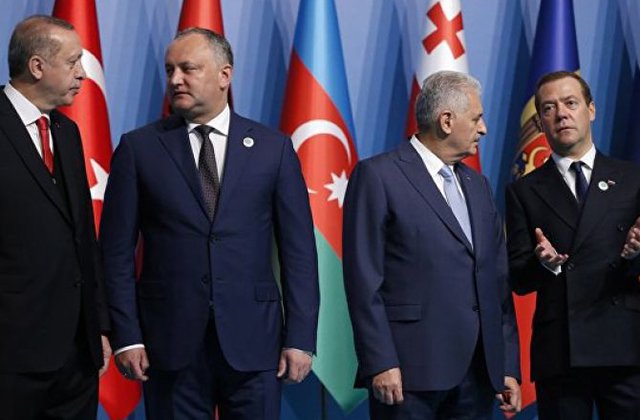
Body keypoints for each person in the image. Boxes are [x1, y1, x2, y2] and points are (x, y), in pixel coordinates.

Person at [100, 27, 319, 419]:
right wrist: (127, 336)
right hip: (169, 343)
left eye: (188, 69)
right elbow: (115, 253)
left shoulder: (273, 149)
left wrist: (301, 337)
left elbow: (299, 252)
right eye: (170, 70)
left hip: (255, 342)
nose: (175, 80)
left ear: (224, 75)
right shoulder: (139, 148)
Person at [343, 70, 521, 419]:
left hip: (478, 374)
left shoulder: (479, 186)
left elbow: (497, 281)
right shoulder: (378, 176)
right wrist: (380, 361)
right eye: (476, 118)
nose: (484, 128)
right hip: (409, 372)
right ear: (446, 121)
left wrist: (506, 365)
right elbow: (363, 281)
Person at [506, 71, 640, 419]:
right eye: (549, 108)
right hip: (561, 351)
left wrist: (636, 254)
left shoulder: (632, 179)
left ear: (590, 110)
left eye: (570, 103)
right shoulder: (523, 191)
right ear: (540, 122)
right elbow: (518, 278)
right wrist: (544, 264)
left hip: (625, 347)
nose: (561, 114)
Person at [0, 15, 111, 420]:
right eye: (72, 61)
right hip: (12, 357)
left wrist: (98, 326)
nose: (82, 73)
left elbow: (83, 236)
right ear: (37, 66)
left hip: (76, 357)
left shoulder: (66, 131)